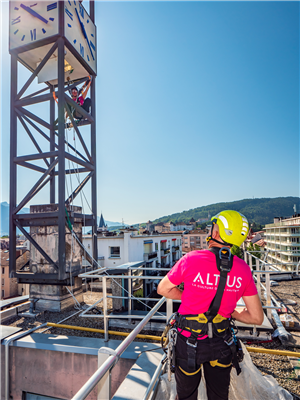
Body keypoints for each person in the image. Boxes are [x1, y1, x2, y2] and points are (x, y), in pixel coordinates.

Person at [157, 210, 264, 400]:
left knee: (187, 395)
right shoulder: (243, 269)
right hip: (221, 342)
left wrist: (188, 296)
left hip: (188, 341)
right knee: (218, 395)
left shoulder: (191, 259)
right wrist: (230, 310)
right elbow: (256, 317)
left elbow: (163, 289)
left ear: (215, 233)